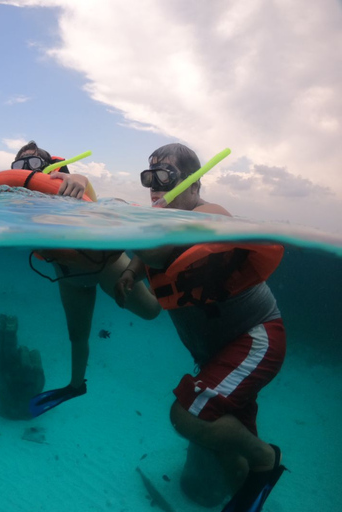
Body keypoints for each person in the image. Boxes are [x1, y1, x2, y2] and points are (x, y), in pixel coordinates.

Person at [114, 143, 286, 512]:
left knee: (187, 414)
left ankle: (265, 458)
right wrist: (130, 271)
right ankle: (249, 496)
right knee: (220, 448)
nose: (155, 185)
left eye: (166, 176)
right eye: (149, 178)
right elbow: (155, 253)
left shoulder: (209, 215)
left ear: (193, 184)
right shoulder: (163, 226)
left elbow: (169, 244)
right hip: (220, 353)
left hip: (255, 339)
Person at [3, 141, 161, 417]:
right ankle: (76, 385)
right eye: (19, 166)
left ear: (51, 168)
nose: (27, 169)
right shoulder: (17, 204)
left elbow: (80, 184)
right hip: (69, 278)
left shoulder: (68, 187)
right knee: (77, 337)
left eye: (35, 164)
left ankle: (159, 263)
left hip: (105, 266)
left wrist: (79, 179)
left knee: (151, 311)